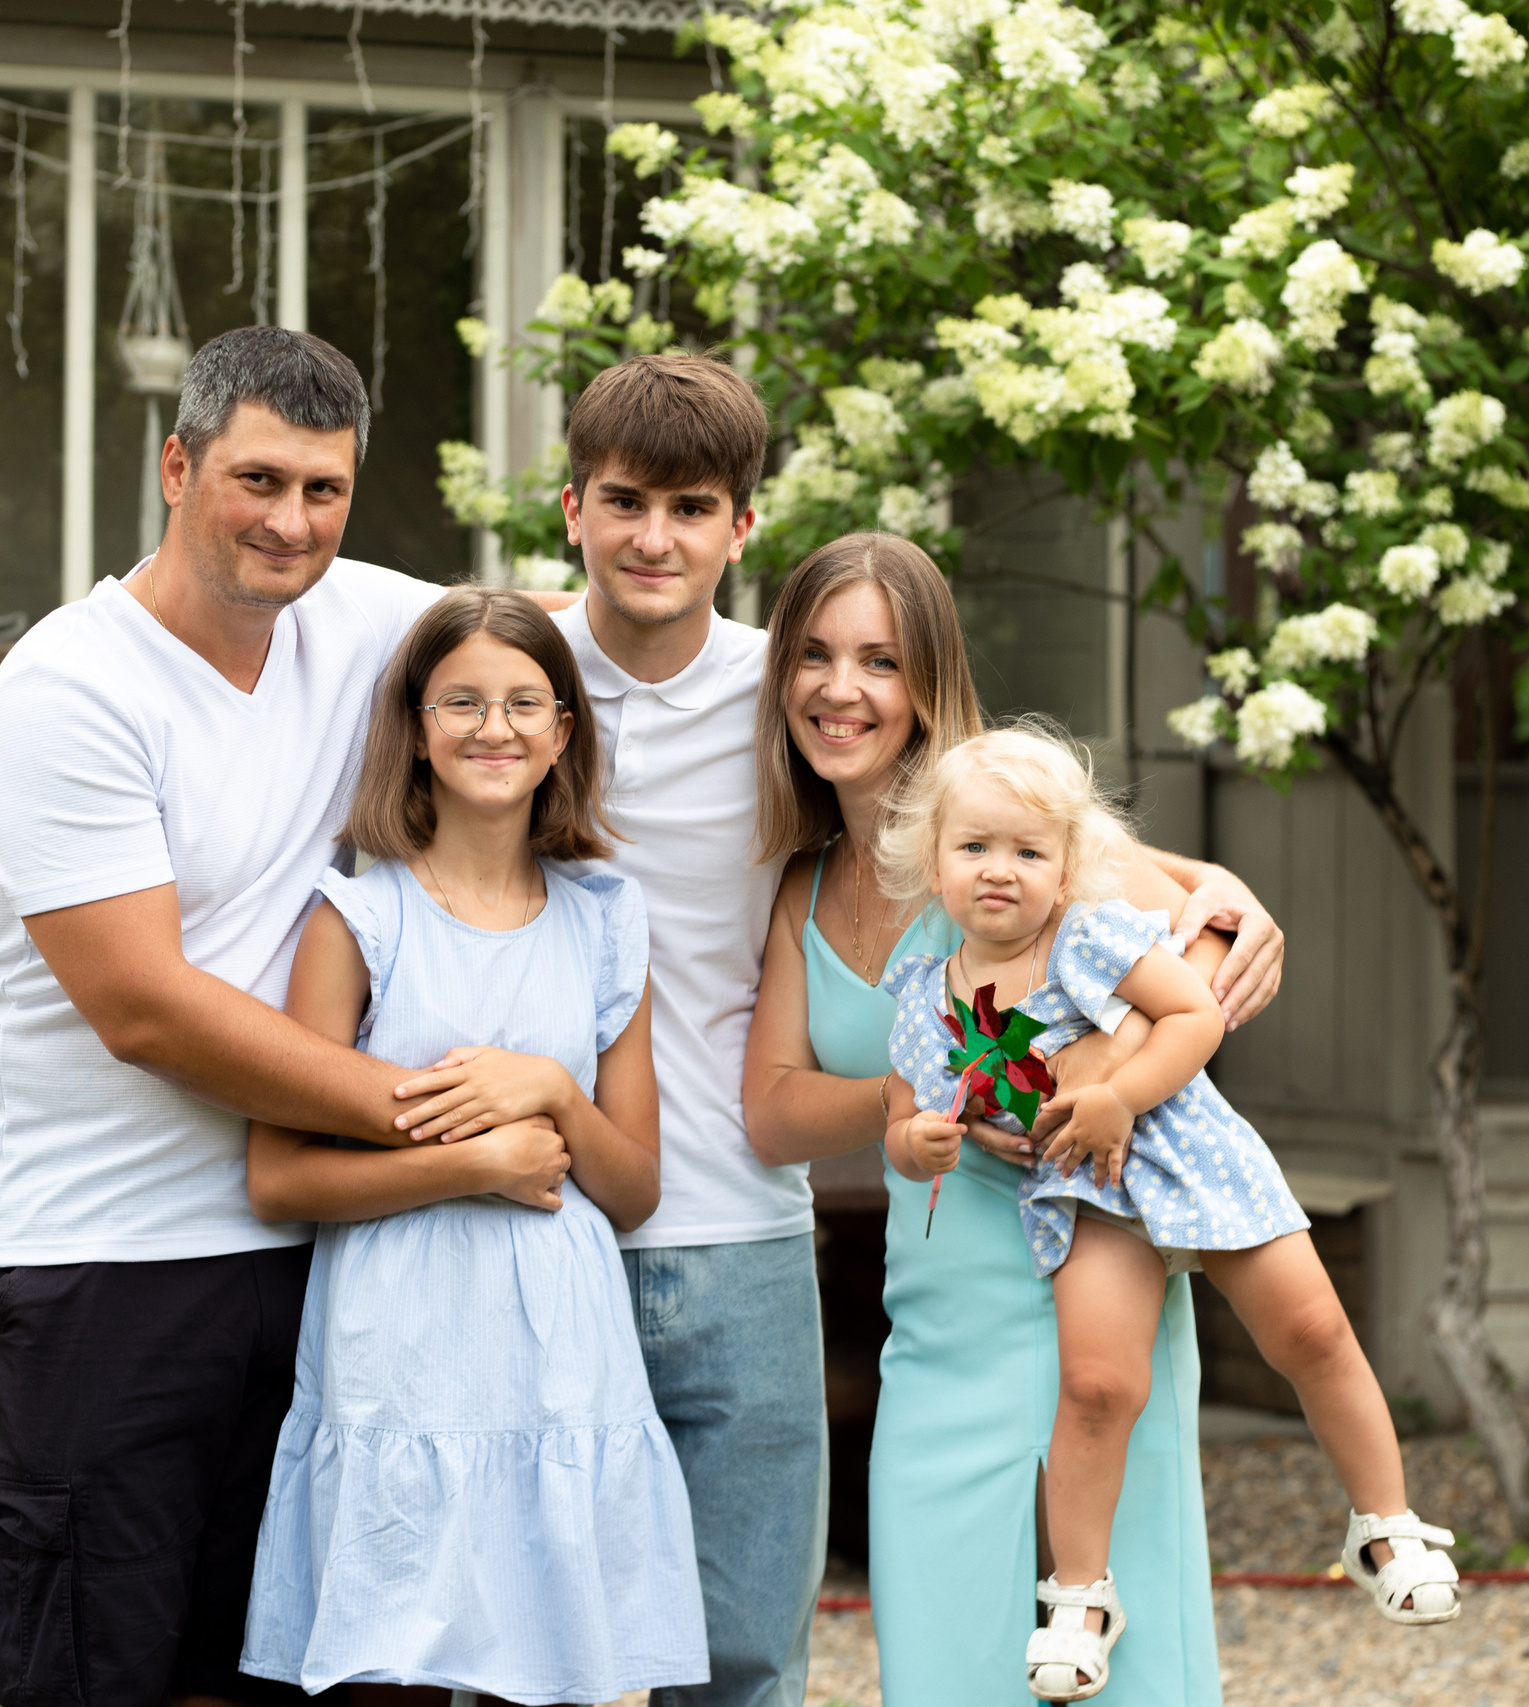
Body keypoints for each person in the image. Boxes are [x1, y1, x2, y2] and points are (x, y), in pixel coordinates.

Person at [397, 354, 1283, 1707]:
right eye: (625, 502)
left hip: (970, 1272)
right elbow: (338, 634)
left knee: (807, 1655)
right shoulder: (534, 691)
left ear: (739, 527)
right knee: (530, 1652)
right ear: (571, 508)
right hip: (585, 1229)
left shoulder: (866, 756)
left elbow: (1119, 887)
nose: (839, 685)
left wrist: (1212, 909)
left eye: (691, 508)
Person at [0, 327, 563, 1707]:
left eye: (323, 489)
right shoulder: (70, 688)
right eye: (259, 480)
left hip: (313, 1252)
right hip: (110, 1256)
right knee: (96, 1667)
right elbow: (145, 1009)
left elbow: (591, 650)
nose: (291, 521)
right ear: (179, 468)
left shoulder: (365, 622)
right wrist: (445, 1122)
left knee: (293, 1663)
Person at [739, 533, 1247, 1706]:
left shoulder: (1009, 838)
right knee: (947, 1670)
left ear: (928, 680)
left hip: (1092, 1314)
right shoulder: (802, 887)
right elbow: (769, 1110)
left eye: (880, 660)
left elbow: (1208, 951)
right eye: (813, 655)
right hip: (938, 1341)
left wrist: (1099, 1067)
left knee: (1122, 1674)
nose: (841, 689)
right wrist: (920, 1096)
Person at [878, 723, 1458, 1700]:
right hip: (1089, 1189)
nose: (999, 870)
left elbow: (1193, 1012)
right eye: (974, 847)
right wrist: (923, 1143)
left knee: (1312, 1330)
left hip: (1188, 1154)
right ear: (932, 863)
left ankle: (1384, 1525)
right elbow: (903, 1116)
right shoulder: (924, 999)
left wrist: (1119, 1092)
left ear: (1067, 868)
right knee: (1098, 1386)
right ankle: (1079, 1595)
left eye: (1028, 852)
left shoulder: (1086, 934)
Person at [234, 587, 708, 1705]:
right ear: (416, 727)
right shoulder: (359, 918)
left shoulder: (604, 918)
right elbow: (278, 1177)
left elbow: (635, 1187)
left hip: (558, 1362)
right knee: (385, 1669)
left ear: (562, 732)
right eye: (461, 702)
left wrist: (554, 1093)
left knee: (545, 1674)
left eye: (523, 703)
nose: (494, 728)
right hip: (400, 1355)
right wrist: (471, 1163)